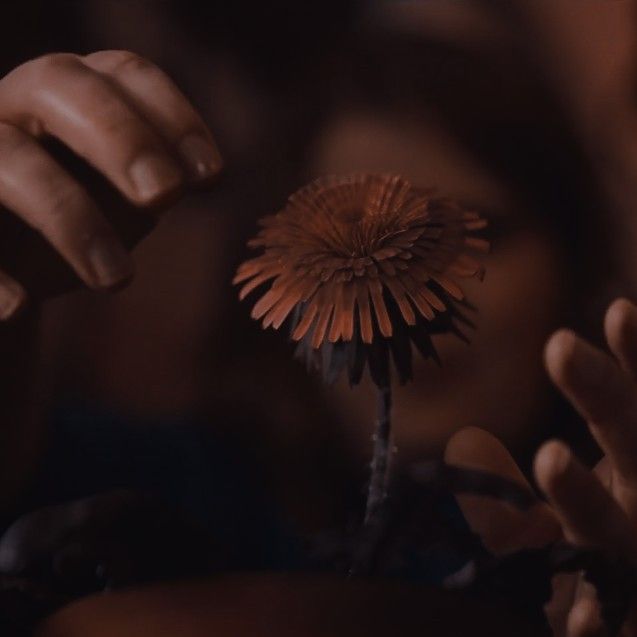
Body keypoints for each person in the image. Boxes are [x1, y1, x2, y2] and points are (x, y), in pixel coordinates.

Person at [0, 2, 636, 635]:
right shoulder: (175, 497)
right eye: (346, 236)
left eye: (477, 231)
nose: (409, 287)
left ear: (574, 261)